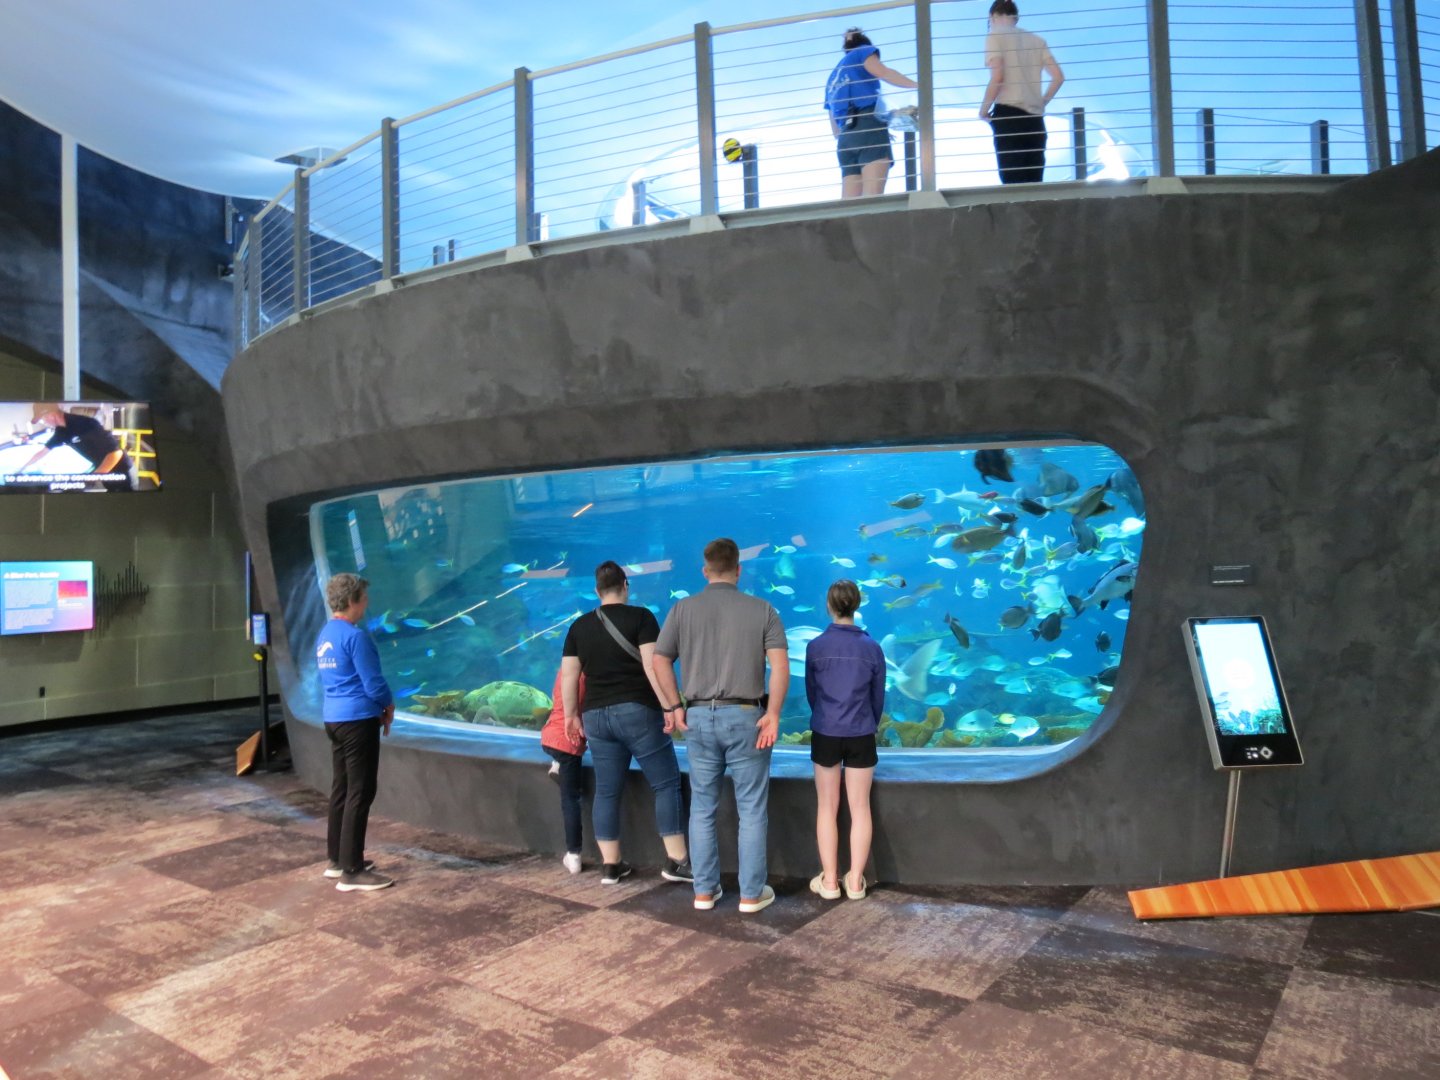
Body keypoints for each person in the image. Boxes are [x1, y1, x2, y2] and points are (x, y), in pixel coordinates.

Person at [652, 538, 788, 913]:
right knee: (751, 809)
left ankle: (704, 891)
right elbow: (780, 667)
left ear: (705, 569)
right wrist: (773, 714)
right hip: (747, 716)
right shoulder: (764, 610)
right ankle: (750, 894)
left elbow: (660, 660)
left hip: (697, 718)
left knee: (702, 808)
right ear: (739, 569)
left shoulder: (682, 609)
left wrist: (673, 706)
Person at [561, 561, 691, 886]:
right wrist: (669, 706)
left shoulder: (578, 627)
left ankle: (611, 865)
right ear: (626, 586)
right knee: (665, 783)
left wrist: (571, 715)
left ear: (597, 590)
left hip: (595, 716)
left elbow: (570, 676)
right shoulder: (641, 618)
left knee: (607, 790)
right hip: (637, 711)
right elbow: (651, 665)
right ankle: (677, 861)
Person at [805, 580, 885, 901]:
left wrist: (826, 716)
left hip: (826, 731)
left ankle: (828, 882)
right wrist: (866, 722)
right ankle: (854, 883)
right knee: (860, 807)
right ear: (856, 604)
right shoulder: (872, 648)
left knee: (827, 807)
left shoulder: (815, 646)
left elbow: (812, 694)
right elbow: (877, 698)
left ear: (829, 605)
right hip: (861, 732)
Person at [315, 572, 395, 892]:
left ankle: (336, 860)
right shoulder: (355, 636)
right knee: (360, 792)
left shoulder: (326, 634)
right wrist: (388, 705)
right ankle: (353, 870)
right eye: (363, 597)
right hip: (358, 719)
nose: (367, 603)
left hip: (333, 719)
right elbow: (372, 682)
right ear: (351, 601)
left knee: (342, 789)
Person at [824, 27, 919, 199]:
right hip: (868, 128)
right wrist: (919, 85)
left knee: (850, 206)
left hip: (845, 140)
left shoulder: (831, 79)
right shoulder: (862, 52)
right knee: (872, 200)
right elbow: (884, 73)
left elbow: (835, 131)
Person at [979, 0, 1065, 184]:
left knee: (1012, 185)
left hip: (1009, 116)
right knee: (1034, 184)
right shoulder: (1037, 41)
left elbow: (998, 76)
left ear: (992, 17)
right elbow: (1058, 77)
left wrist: (984, 110)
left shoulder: (995, 36)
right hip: (1035, 120)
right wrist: (1042, 102)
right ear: (1016, 18)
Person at [540, 666, 587, 874]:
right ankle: (574, 854)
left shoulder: (563, 669)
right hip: (569, 743)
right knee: (571, 799)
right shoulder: (589, 673)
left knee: (563, 762)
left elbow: (555, 697)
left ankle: (556, 764)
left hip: (550, 736)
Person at [21, 404, 134, 488]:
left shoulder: (85, 423)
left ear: (51, 415)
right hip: (103, 467)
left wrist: (94, 477)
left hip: (120, 468)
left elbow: (116, 452)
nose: (44, 422)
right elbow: (43, 452)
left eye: (42, 419)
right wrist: (21, 469)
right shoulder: (61, 432)